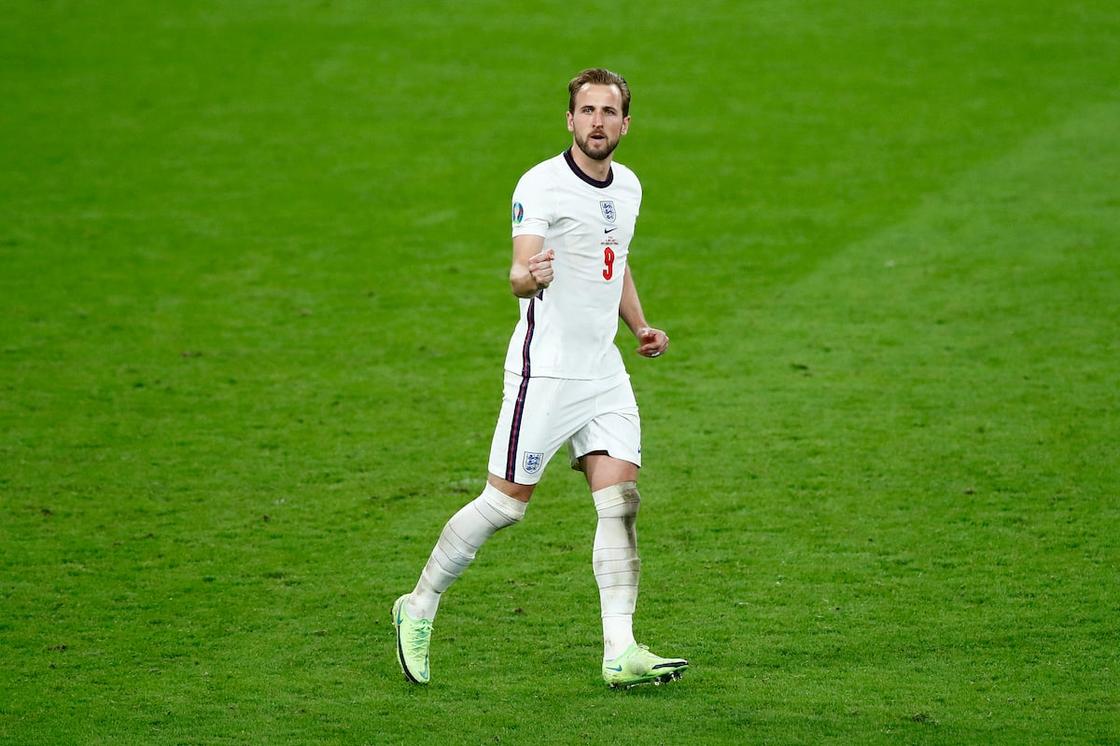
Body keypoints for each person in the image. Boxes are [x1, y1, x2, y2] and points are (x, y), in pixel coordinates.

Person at [392, 68, 687, 689]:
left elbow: (616, 261)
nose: (598, 122)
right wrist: (532, 278)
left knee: (620, 501)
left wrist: (638, 326)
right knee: (504, 506)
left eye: (609, 112)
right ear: (570, 120)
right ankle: (417, 604)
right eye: (587, 111)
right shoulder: (542, 184)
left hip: (603, 369)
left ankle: (620, 649)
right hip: (545, 372)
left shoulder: (628, 187)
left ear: (626, 124)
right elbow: (520, 271)